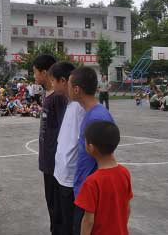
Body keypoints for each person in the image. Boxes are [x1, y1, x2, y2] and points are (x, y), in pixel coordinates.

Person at [68, 66, 115, 235]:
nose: (67, 89)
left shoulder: (97, 117)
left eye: (68, 84)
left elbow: (106, 159)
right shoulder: (90, 113)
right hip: (84, 191)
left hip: (92, 196)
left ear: (76, 89)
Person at [75, 121, 133, 235]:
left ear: (90, 147)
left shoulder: (92, 182)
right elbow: (127, 209)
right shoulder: (124, 173)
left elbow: (88, 220)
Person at [33, 55, 69, 235]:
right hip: (47, 159)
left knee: (57, 206)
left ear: (44, 72)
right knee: (51, 203)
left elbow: (64, 130)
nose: (34, 76)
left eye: (34, 72)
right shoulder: (46, 94)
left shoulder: (59, 97)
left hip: (56, 162)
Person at [50, 61, 84, 235]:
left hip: (70, 178)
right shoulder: (69, 104)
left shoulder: (80, 107)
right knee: (60, 219)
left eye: (53, 81)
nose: (52, 84)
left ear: (63, 81)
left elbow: (81, 145)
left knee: (70, 223)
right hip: (60, 173)